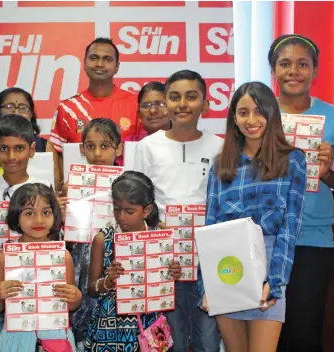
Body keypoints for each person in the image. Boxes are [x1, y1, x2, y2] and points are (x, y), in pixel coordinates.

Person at [198, 81, 306, 352]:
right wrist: (206, 285)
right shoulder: (221, 165)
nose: (251, 120)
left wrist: (276, 281)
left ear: (272, 114)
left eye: (259, 111)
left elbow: (290, 228)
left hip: (269, 270)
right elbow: (210, 228)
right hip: (227, 269)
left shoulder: (292, 160)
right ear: (234, 117)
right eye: (243, 112)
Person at [268, 34, 334, 352]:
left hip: (313, 239)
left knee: (305, 331)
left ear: (315, 71)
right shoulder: (256, 114)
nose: (293, 71)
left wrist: (327, 168)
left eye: (303, 64)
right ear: (273, 71)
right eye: (285, 64)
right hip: (265, 238)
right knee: (266, 335)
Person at [134, 70, 223, 352]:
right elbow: (134, 201)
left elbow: (223, 201)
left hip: (206, 261)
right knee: (167, 340)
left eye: (191, 96)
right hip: (163, 261)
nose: (182, 104)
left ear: (205, 104)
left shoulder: (219, 146)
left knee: (208, 341)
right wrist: (153, 224)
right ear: (165, 103)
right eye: (174, 97)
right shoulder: (147, 147)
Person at [0, 114, 58, 352]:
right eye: (4, 149)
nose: (11, 157)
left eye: (19, 148)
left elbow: (54, 237)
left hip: (36, 290)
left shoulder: (44, 187)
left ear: (31, 150)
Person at [85, 171, 181, 351]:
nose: (121, 217)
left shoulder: (158, 239)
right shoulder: (103, 239)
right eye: (116, 209)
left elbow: (164, 285)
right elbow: (91, 289)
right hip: (110, 326)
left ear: (146, 211)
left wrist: (173, 275)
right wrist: (108, 281)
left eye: (129, 211)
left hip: (148, 323)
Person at [0, 183, 82, 351]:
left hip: (56, 336)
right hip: (16, 337)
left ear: (55, 216)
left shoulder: (63, 256)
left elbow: (70, 304)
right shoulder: (4, 258)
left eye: (46, 212)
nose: (39, 220)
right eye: (29, 213)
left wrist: (76, 297)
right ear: (16, 216)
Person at [47, 38, 142, 192]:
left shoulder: (136, 104)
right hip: (80, 198)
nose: (99, 64)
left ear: (117, 66)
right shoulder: (68, 108)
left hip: (127, 199)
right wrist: (55, 194)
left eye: (107, 59)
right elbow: (55, 154)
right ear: (84, 63)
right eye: (94, 58)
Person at [68, 118, 124, 349]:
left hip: (113, 254)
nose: (97, 153)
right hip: (81, 254)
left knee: (109, 309)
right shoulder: (70, 183)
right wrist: (62, 209)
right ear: (82, 149)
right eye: (90, 146)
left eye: (105, 145)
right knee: (81, 311)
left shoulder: (127, 182)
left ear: (118, 148)